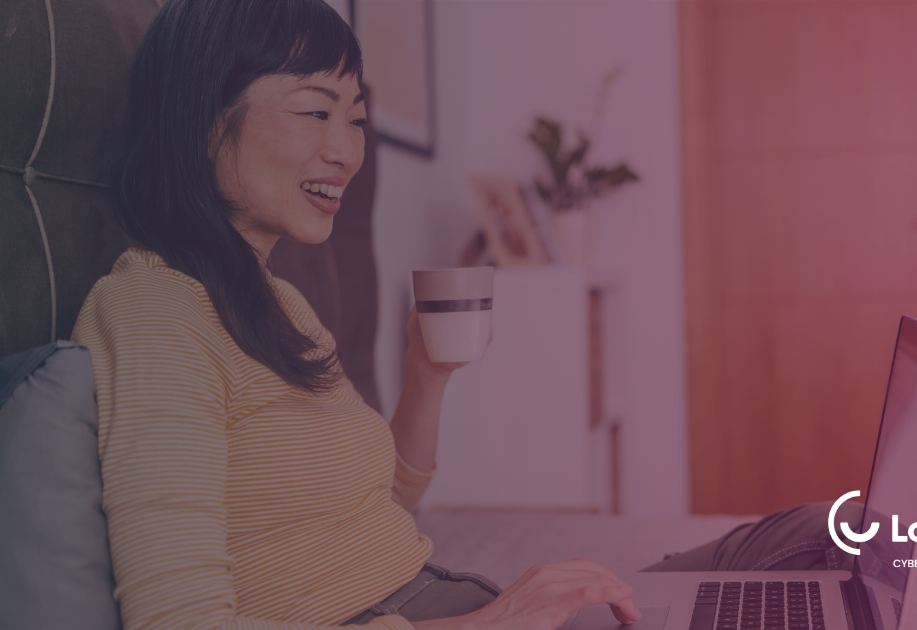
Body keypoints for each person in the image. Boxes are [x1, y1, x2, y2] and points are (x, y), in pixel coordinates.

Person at [72, 1, 859, 629]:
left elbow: (373, 510)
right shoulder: (153, 314)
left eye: (355, 117)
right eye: (316, 112)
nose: (348, 149)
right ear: (207, 120)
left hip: (446, 598)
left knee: (838, 536)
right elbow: (178, 620)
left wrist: (427, 374)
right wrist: (497, 620)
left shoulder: (277, 302)